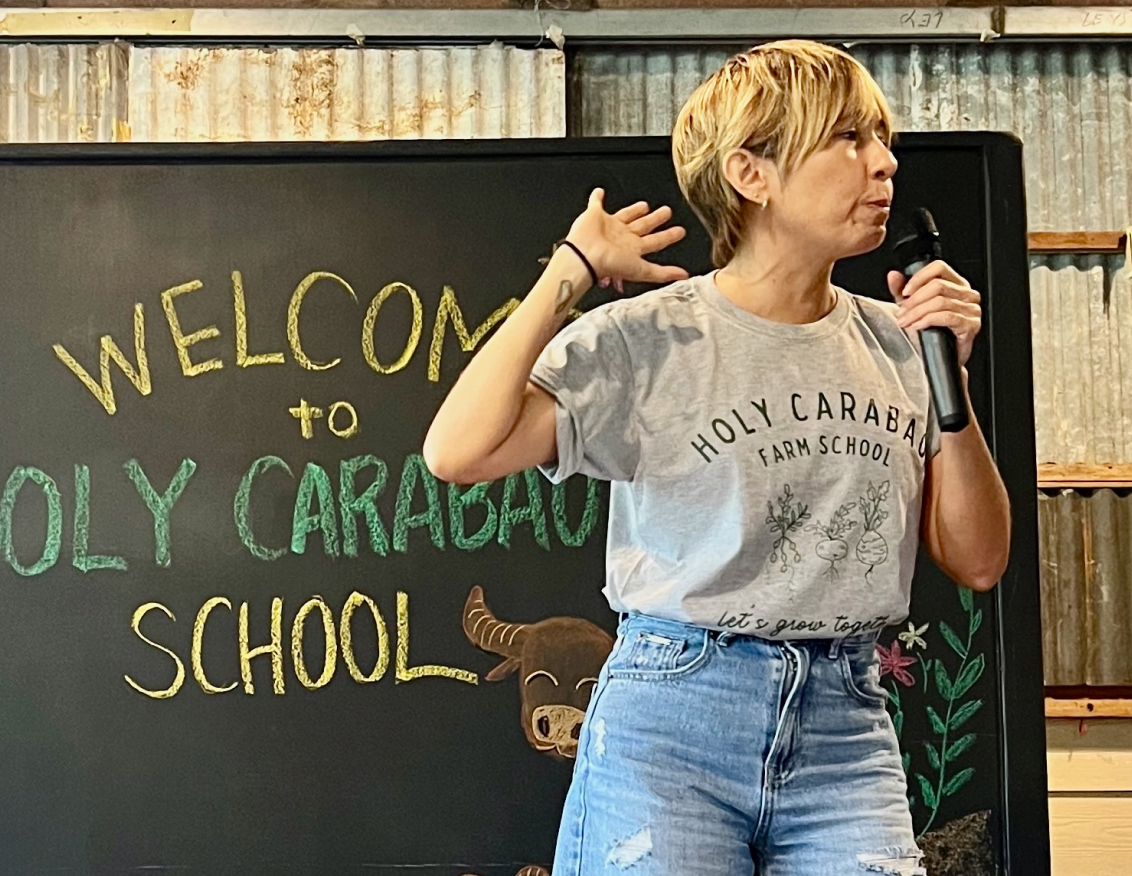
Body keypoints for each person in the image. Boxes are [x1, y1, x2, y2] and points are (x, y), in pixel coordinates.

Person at [423, 40, 1011, 876]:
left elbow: (979, 559)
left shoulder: (901, 342)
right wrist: (570, 273)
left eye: (883, 140)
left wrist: (953, 374)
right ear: (750, 172)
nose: (884, 163)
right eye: (848, 138)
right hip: (673, 719)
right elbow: (458, 451)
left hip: (845, 728)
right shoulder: (647, 340)